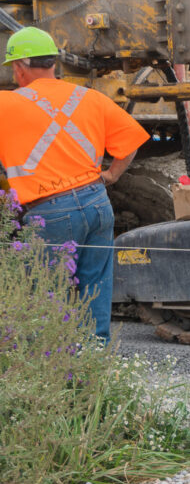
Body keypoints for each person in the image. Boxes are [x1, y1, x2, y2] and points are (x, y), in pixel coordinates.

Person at [0, 27, 150, 341]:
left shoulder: (6, 105)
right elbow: (131, 142)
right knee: (94, 290)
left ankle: (53, 376)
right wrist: (111, 176)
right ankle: (91, 369)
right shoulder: (89, 97)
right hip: (97, 204)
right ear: (54, 63)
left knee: (46, 299)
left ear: (19, 67)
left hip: (49, 212)